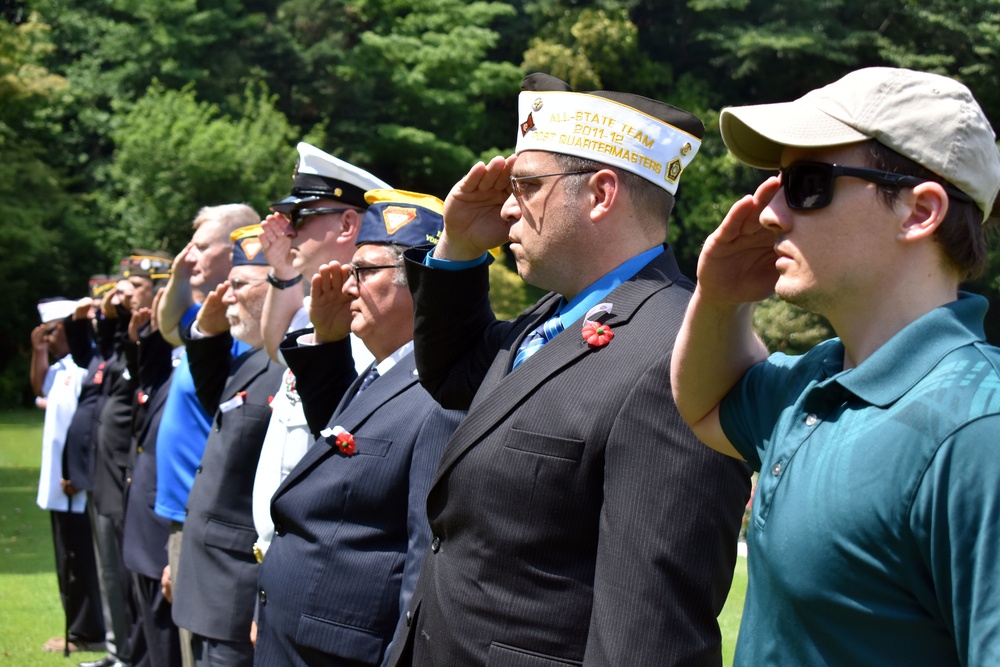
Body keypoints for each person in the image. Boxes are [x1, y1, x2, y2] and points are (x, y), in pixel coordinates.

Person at [386, 73, 751, 666]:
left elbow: (650, 632)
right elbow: (454, 375)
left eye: (526, 185)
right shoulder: (552, 316)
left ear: (601, 194)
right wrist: (457, 248)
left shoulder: (676, 353)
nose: (506, 208)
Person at [669, 67, 1000, 666]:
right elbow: (705, 406)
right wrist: (720, 300)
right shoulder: (819, 380)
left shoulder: (979, 430)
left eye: (807, 183)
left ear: (918, 212)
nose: (768, 213)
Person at [254, 190, 464, 666]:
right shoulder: (383, 371)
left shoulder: (440, 395)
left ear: (419, 280)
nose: (347, 287)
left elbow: (424, 557)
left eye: (364, 272)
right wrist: (327, 343)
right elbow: (342, 466)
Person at [250, 142, 386, 563]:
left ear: (348, 223)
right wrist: (282, 271)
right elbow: (278, 349)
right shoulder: (321, 305)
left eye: (301, 218)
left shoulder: (373, 317)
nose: (289, 231)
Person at [170, 225, 287, 666]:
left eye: (239, 285)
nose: (228, 295)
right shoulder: (254, 360)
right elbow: (212, 395)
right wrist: (208, 331)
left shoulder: (290, 364)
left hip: (240, 588)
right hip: (212, 582)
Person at [153, 204, 259, 667]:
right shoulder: (214, 315)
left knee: (207, 649)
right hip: (190, 515)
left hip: (215, 518)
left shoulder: (244, 322)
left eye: (200, 247)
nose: (190, 257)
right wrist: (181, 272)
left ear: (235, 244)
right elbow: (169, 325)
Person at [32, 298, 107, 655]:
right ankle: (78, 628)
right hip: (57, 482)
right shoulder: (64, 368)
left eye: (49, 329)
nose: (44, 336)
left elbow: (90, 425)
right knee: (67, 557)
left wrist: (80, 472)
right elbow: (40, 390)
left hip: (75, 481)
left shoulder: (85, 368)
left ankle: (86, 632)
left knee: (82, 559)